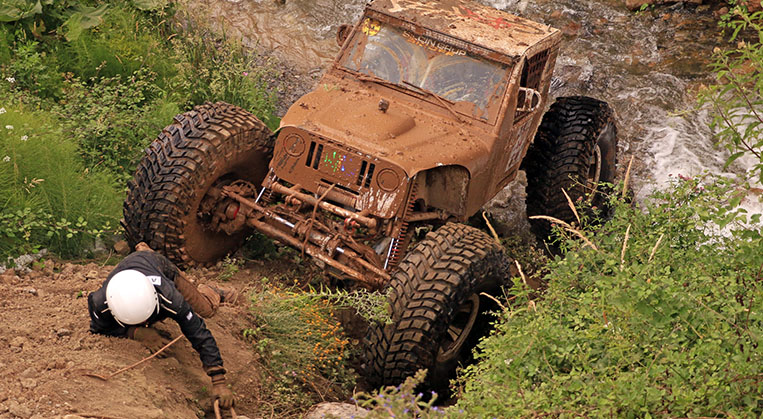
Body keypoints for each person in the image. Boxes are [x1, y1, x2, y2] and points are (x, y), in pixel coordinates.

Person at [87, 243, 238, 409]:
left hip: (158, 265)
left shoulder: (170, 297)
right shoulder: (100, 303)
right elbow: (98, 327)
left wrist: (219, 381)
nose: (144, 324)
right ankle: (144, 252)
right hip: (132, 269)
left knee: (205, 309)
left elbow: (197, 330)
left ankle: (212, 291)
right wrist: (136, 332)